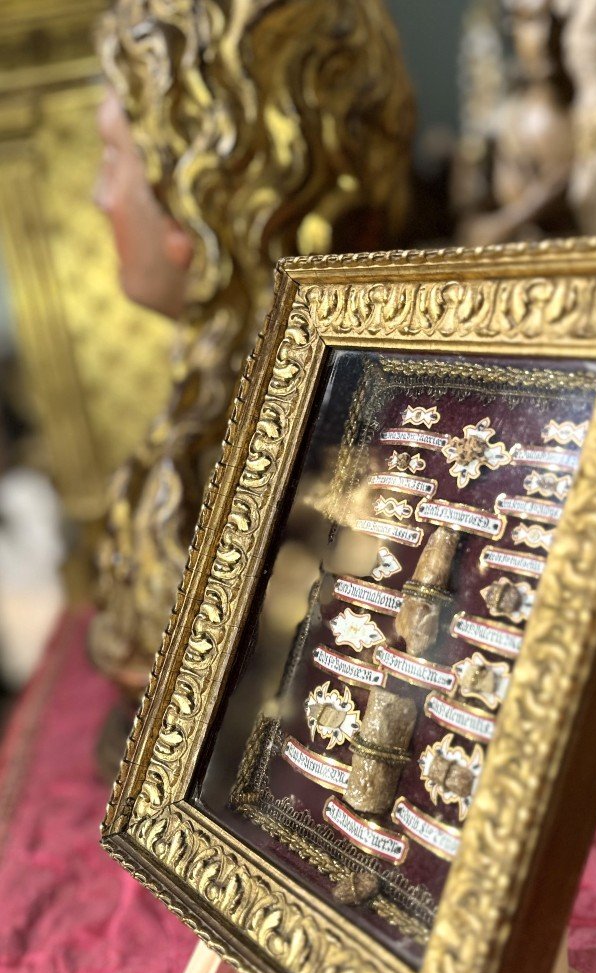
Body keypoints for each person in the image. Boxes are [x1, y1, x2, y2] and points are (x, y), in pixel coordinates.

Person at [88, 0, 414, 695]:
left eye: (112, 156)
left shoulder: (304, 493)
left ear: (197, 202)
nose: (96, 195)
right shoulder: (204, 452)